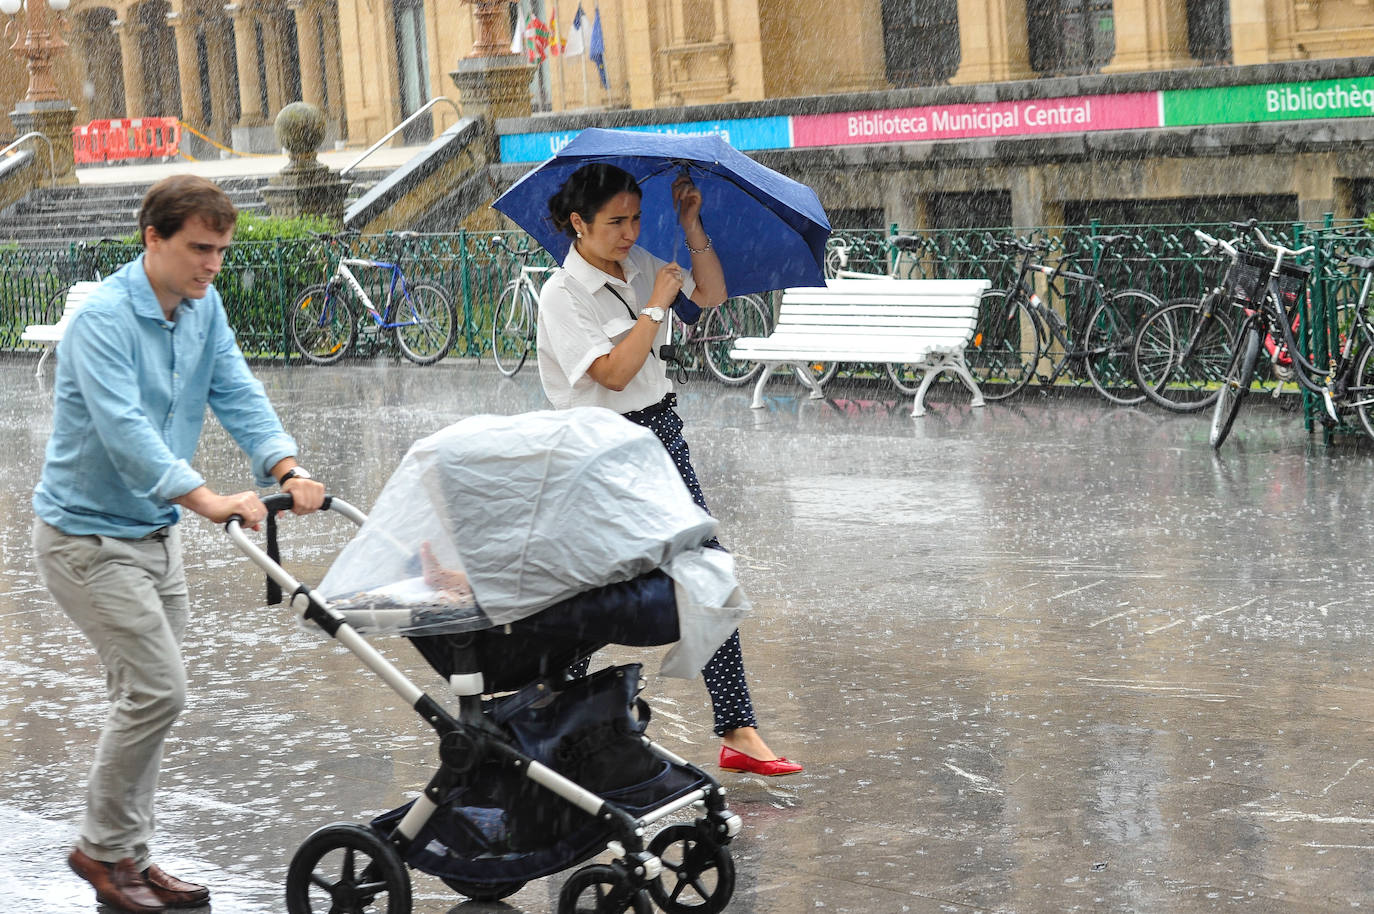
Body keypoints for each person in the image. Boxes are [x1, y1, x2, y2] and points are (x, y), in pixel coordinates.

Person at [32, 174, 327, 914]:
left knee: (147, 702)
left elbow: (236, 389)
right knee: (158, 690)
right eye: (199, 248)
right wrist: (207, 499)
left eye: (222, 251)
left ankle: (131, 855)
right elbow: (126, 435)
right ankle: (101, 852)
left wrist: (285, 466)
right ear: (152, 239)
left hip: (152, 539)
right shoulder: (102, 321)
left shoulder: (203, 308)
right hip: (86, 539)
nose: (212, 265)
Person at [535, 162, 803, 777]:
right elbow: (612, 373)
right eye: (615, 222)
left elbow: (710, 296)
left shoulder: (640, 266)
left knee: (706, 569)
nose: (629, 233)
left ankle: (738, 729)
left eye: (634, 219)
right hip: (598, 450)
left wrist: (691, 225)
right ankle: (547, 707)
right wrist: (655, 307)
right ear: (578, 223)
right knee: (598, 589)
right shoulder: (562, 295)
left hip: (661, 435)